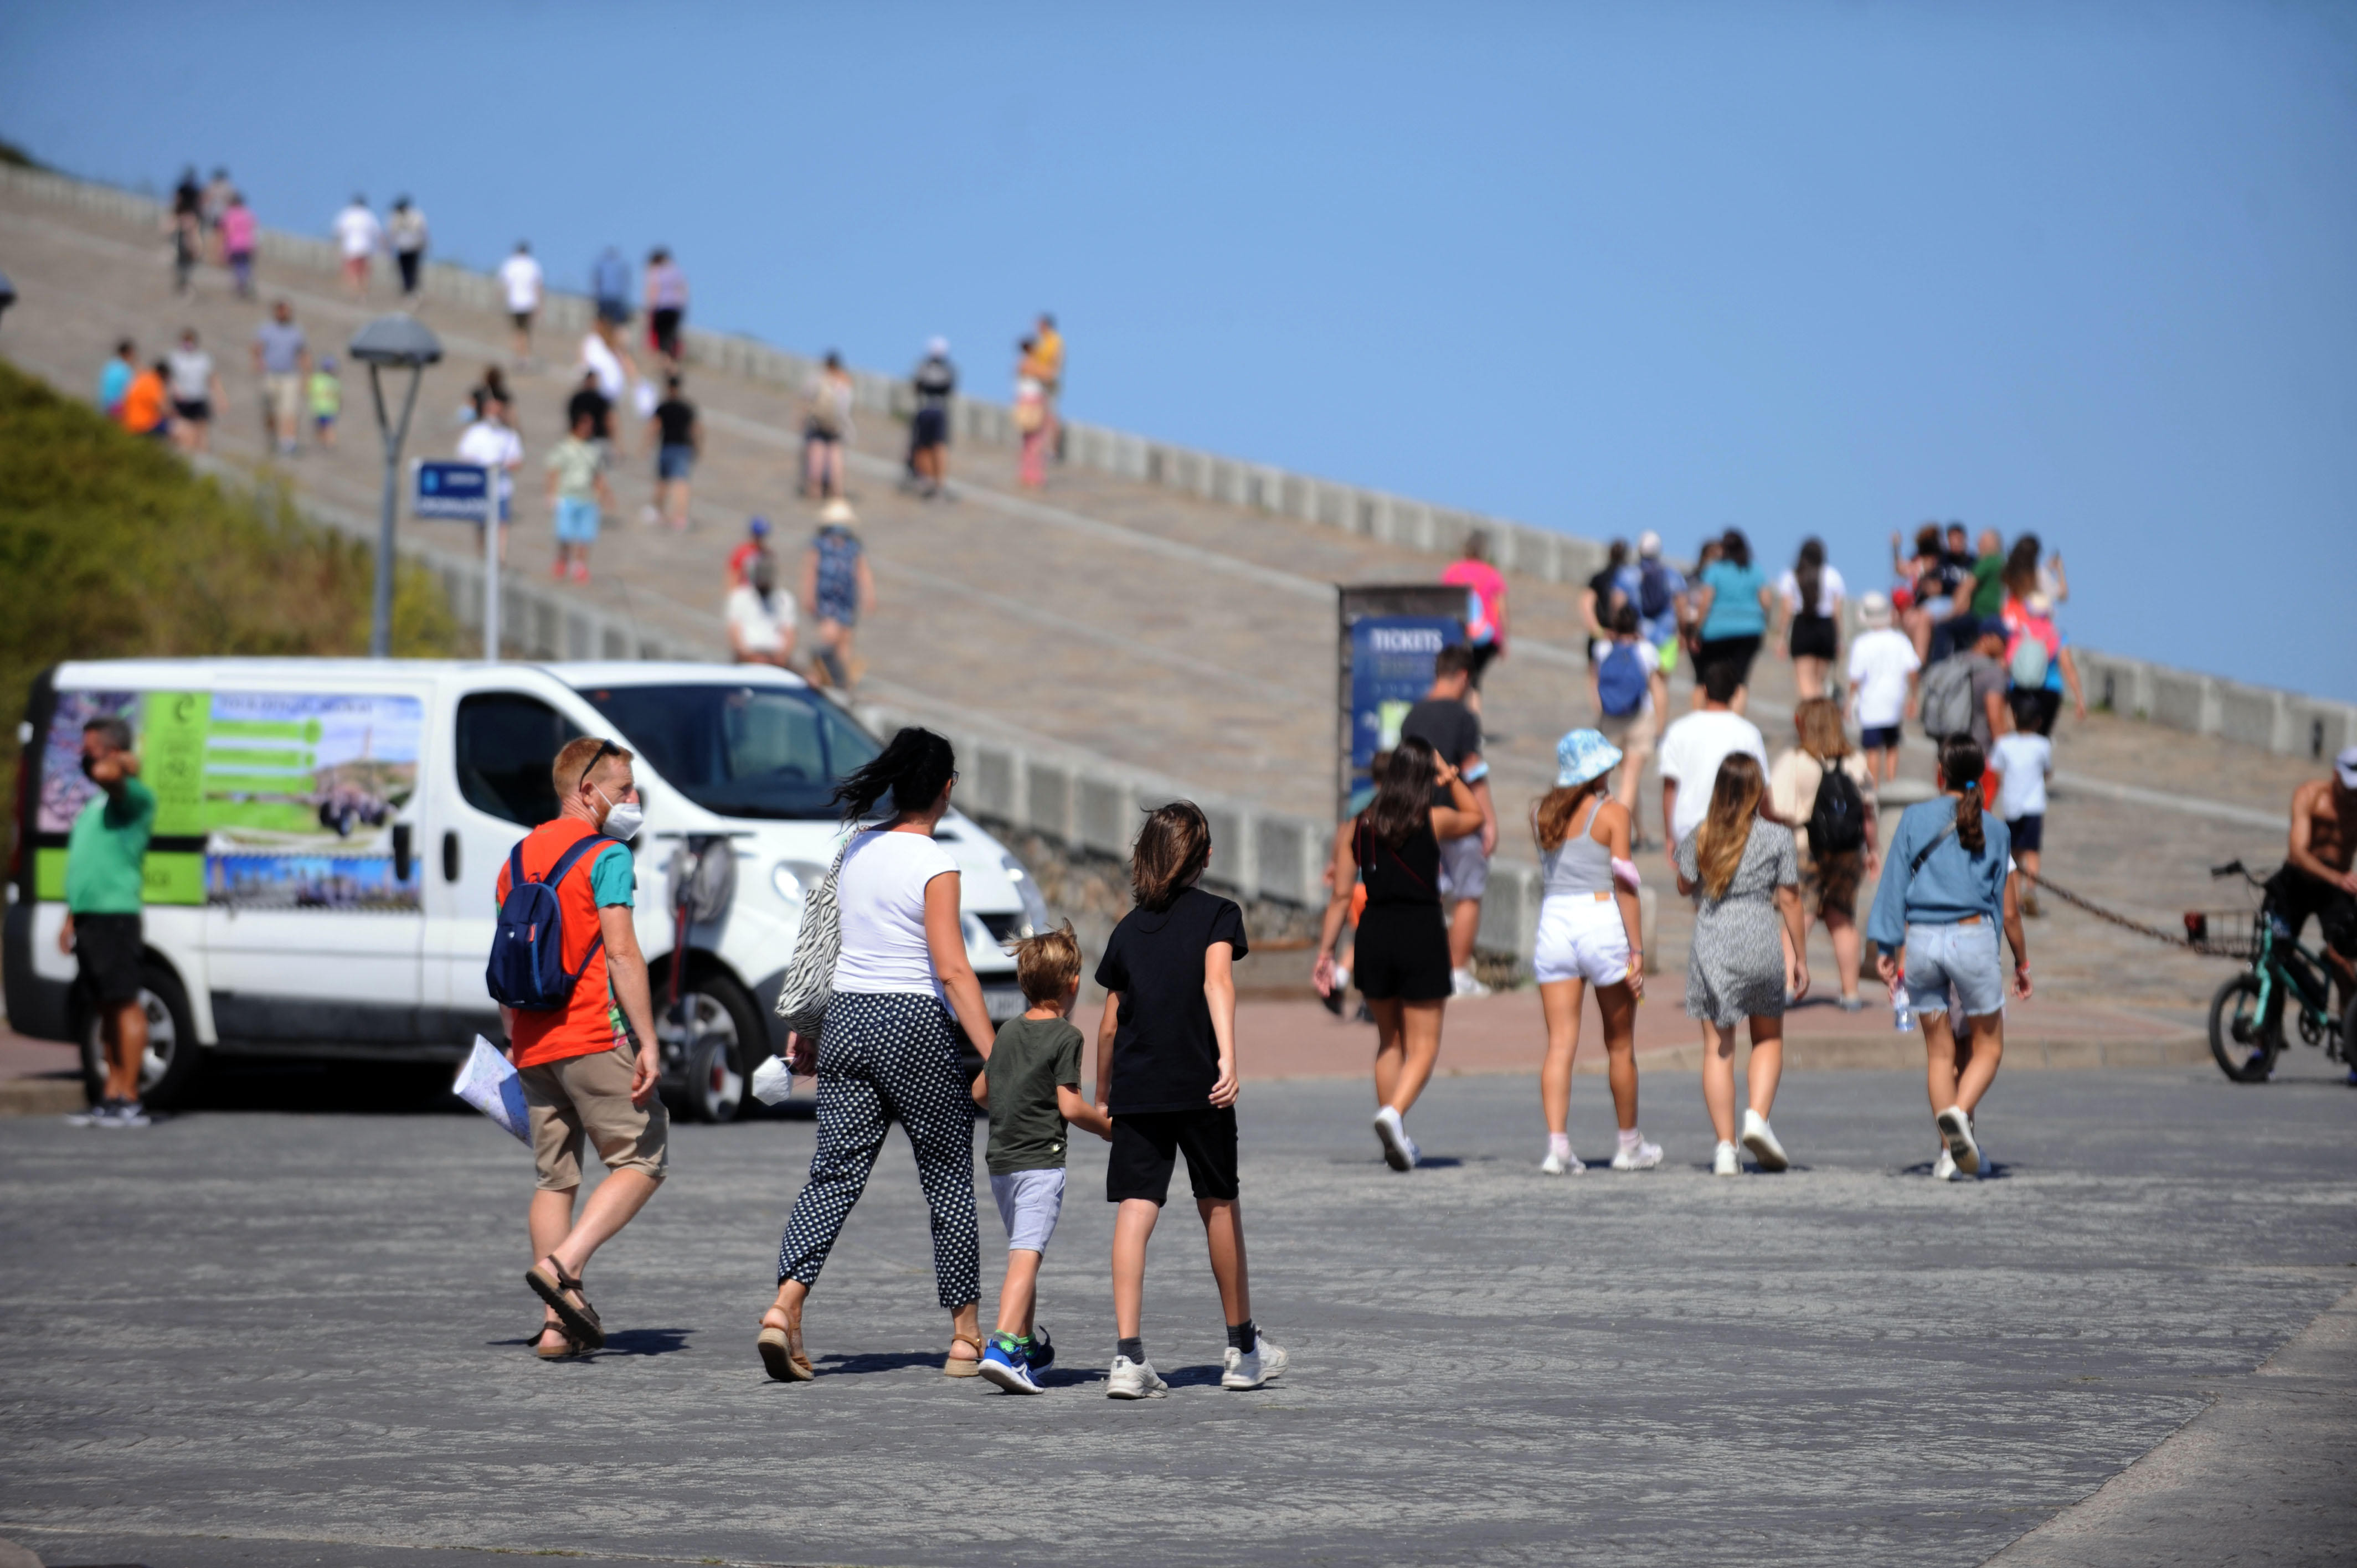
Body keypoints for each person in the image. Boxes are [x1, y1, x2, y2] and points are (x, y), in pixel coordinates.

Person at [761, 729, 1002, 1382]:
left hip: (846, 1018)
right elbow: (952, 972)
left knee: (832, 1175)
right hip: (912, 1022)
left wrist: (810, 1023)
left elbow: (826, 942)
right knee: (947, 1177)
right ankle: (964, 1336)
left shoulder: (855, 848)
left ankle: (785, 1307)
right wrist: (996, 1054)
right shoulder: (935, 865)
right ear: (947, 789)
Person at [1094, 802, 1286, 1396]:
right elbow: (1216, 982)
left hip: (1138, 1086)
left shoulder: (1126, 930)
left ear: (1145, 857)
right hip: (1201, 1084)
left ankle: (1127, 1358)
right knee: (1218, 1205)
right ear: (1203, 859)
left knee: (1135, 1208)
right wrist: (1227, 1057)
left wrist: (1102, 1093)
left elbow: (1107, 1023)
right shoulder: (1218, 915)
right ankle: (1241, 1349)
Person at [503, 735, 669, 1357]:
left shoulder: (518, 857)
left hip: (531, 1039)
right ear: (587, 791)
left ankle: (555, 1326)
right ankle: (564, 1267)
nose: (632, 802)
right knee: (642, 1156)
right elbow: (622, 953)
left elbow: (508, 955)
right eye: (624, 791)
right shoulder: (606, 855)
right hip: (593, 1034)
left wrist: (512, 1039)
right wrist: (648, 1040)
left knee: (555, 1179)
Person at [1312, 739, 1484, 1172]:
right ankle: (1392, 1116)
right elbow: (1476, 816)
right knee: (1424, 1045)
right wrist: (1451, 776)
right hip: (1421, 931)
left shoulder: (1357, 825)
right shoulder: (1433, 818)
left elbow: (1338, 897)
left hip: (1374, 933)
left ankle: (1398, 1135)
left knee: (1389, 1040)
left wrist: (1325, 953)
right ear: (1424, 776)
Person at [1869, 735, 2030, 1181]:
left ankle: (1948, 1156)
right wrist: (2019, 962)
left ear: (1941, 772)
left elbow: (1894, 881)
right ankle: (1960, 1115)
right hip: (1970, 938)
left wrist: (1886, 945)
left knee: (1940, 1056)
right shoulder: (1996, 830)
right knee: (1989, 1047)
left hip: (1920, 942)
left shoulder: (1915, 818)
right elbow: (2007, 907)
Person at [972, 923, 1112, 1394]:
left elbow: (980, 1093)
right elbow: (1071, 1107)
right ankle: (1003, 1345)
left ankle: (1027, 1345)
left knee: (1022, 1252)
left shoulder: (1008, 1032)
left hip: (1001, 1166)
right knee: (1026, 1257)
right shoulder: (1066, 1036)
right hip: (1040, 1164)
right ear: (1074, 985)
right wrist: (1110, 1129)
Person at [1530, 730, 1658, 1175]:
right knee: (1620, 1045)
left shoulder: (1540, 812)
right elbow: (1625, 885)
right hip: (1600, 919)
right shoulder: (1613, 814)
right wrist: (1636, 952)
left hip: (1554, 923)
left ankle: (1558, 1146)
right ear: (1597, 769)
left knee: (1560, 1044)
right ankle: (1629, 1145)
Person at [1675, 754, 1805, 1177]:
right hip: (1759, 938)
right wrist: (1799, 957)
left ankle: (1725, 1149)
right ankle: (1757, 1117)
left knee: (1719, 1049)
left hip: (1713, 939)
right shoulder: (1776, 837)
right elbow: (1789, 898)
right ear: (1756, 792)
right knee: (1767, 1039)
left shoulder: (1702, 834)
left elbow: (1682, 884)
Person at [58, 716, 157, 1128]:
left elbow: (112, 775)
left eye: (91, 747)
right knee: (104, 1007)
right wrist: (70, 917)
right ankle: (111, 1093)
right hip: (89, 918)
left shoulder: (132, 797)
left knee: (124, 1003)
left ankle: (130, 1098)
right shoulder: (94, 805)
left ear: (113, 751)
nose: (84, 756)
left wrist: (120, 763)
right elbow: (87, 867)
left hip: (116, 916)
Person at [1768, 697, 1880, 1011]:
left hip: (1804, 847)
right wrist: (1873, 850)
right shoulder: (1856, 760)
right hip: (1848, 851)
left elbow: (1777, 809)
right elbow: (1868, 812)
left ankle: (1788, 987)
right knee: (1842, 919)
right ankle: (1851, 993)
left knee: (1798, 917)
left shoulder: (1795, 760)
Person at [1400, 646, 1499, 997]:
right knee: (1469, 893)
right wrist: (1488, 819)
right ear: (1463, 677)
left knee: (1431, 898)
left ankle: (1428, 970)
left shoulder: (1412, 716)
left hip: (1420, 821)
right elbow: (1473, 771)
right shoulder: (1463, 717)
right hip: (1459, 820)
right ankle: (1457, 974)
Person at [2264, 747, 2357, 1000]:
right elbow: (2298, 853)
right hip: (2297, 882)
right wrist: (2336, 877)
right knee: (2275, 950)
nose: (2352, 796)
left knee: (2344, 957)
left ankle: (2348, 1030)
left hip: (2334, 892)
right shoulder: (2309, 796)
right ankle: (2270, 1029)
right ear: (2335, 775)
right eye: (2349, 788)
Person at [1657, 658, 1768, 862]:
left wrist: (1669, 835)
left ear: (1705, 691)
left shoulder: (1679, 730)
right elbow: (1761, 787)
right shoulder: (1749, 733)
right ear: (1735, 693)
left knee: (1698, 891)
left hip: (1689, 827)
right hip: (1735, 829)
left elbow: (1670, 787)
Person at [1592, 605, 1659, 840]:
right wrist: (1660, 723)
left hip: (1610, 717)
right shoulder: (1647, 651)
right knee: (1630, 778)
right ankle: (1615, 833)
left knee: (1623, 779)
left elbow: (1595, 681)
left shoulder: (1602, 649)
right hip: (1640, 717)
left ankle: (1640, 833)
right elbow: (1657, 688)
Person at [1690, 528, 1771, 705]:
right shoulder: (1755, 570)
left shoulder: (1715, 570)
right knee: (1740, 680)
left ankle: (1703, 717)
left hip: (1716, 632)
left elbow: (1705, 603)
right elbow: (1766, 601)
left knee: (1705, 678)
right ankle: (1735, 720)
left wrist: (1697, 631)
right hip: (1750, 630)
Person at [1990, 691, 2053, 916]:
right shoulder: (2043, 745)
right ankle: (2031, 889)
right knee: (2033, 851)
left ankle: (2015, 897)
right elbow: (2047, 772)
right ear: (2038, 721)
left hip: (2011, 804)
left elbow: (1997, 772)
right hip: (2034, 806)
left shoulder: (2004, 744)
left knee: (2014, 853)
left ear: (2014, 717)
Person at [1846, 591, 1918, 785]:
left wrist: (1849, 701)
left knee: (1873, 748)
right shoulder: (1900, 640)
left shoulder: (1862, 643)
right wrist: (1914, 696)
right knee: (1892, 744)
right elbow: (1913, 671)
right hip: (1895, 698)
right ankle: (1892, 782)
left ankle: (1874, 787)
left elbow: (1855, 677)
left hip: (1871, 701)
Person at [801, 502, 873, 690]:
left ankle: (841, 681)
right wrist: (809, 593)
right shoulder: (822, 543)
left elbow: (861, 570)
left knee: (844, 639)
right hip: (828, 597)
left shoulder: (852, 545)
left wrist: (868, 594)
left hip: (846, 598)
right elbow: (812, 569)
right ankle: (819, 675)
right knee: (829, 636)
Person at [545, 410, 615, 584]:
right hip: (567, 495)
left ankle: (580, 565)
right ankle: (562, 560)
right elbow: (554, 471)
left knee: (586, 535)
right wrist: (552, 494)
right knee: (565, 534)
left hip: (588, 497)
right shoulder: (564, 447)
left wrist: (606, 495)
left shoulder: (593, 450)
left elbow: (597, 474)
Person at [1774, 537, 1845, 699]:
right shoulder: (1833, 575)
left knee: (1805, 682)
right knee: (1819, 682)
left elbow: (1786, 609)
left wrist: (1781, 637)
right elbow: (1837, 613)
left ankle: (1810, 721)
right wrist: (1839, 640)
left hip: (1803, 626)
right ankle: (1821, 719)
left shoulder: (1792, 575)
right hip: (1826, 628)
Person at [456, 391, 524, 563]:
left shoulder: (509, 435)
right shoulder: (476, 432)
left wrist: (503, 466)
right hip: (481, 486)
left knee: (502, 523)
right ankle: (482, 554)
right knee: (482, 524)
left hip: (502, 487)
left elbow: (517, 461)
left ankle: (500, 557)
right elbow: (465, 457)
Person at [1630, 530, 1688, 716]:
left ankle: (1638, 723)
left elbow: (1618, 602)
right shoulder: (1672, 575)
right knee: (1660, 686)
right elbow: (1682, 606)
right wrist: (1683, 633)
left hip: (1638, 637)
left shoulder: (1631, 574)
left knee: (1638, 683)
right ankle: (1658, 729)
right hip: (1666, 638)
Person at [251, 299, 308, 456]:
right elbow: (257, 349)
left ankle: (288, 442)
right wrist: (258, 363)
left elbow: (303, 354)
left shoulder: (296, 331)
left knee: (289, 411)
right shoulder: (266, 330)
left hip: (290, 375)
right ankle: (273, 438)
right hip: (271, 375)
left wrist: (305, 376)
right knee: (270, 411)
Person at [905, 337, 957, 498]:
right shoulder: (948, 370)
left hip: (925, 409)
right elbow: (950, 388)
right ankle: (939, 481)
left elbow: (916, 387)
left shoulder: (923, 368)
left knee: (924, 446)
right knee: (938, 446)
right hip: (940, 410)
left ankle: (927, 479)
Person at [725, 551, 796, 667]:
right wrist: (751, 657)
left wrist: (780, 657)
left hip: (776, 661)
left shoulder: (785, 599)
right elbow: (735, 632)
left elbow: (789, 633)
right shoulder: (739, 598)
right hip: (747, 660)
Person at [649, 374, 698, 530]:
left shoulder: (664, 406)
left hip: (668, 446)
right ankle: (681, 517)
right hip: (683, 448)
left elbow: (655, 427)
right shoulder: (687, 407)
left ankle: (658, 512)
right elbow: (695, 429)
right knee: (681, 483)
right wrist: (696, 446)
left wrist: (647, 445)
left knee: (663, 481)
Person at [802, 352, 855, 499]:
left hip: (818, 425)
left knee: (816, 458)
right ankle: (837, 492)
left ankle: (815, 491)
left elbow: (806, 400)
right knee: (835, 460)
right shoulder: (845, 382)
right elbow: (847, 408)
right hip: (836, 428)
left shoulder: (818, 379)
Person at [578, 327, 635, 456]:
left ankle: (616, 446)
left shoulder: (604, 342)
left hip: (606, 387)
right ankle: (615, 446)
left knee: (607, 416)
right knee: (607, 416)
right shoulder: (599, 342)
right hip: (605, 386)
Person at [164, 328, 222, 453]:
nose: (188, 344)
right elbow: (169, 379)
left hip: (199, 397)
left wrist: (220, 398)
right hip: (182, 399)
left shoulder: (203, 358)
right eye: (186, 341)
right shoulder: (175, 358)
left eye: (190, 341)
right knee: (182, 430)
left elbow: (212, 378)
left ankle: (203, 455)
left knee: (201, 430)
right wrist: (171, 395)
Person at [1582, 539, 1630, 688]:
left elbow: (1586, 604)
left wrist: (1598, 631)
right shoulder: (1630, 580)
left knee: (1595, 676)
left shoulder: (1599, 578)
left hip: (1601, 635)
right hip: (1620, 637)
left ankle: (1600, 709)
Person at [1013, 341, 1049, 489]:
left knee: (1029, 442)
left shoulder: (1022, 363)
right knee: (1035, 442)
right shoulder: (1028, 363)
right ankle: (1033, 475)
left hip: (1026, 403)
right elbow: (1047, 375)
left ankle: (1028, 474)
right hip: (1032, 404)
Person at [500, 242, 543, 363]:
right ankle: (524, 356)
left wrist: (504, 300)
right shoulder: (532, 265)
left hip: (514, 302)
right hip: (528, 303)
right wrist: (539, 304)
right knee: (525, 331)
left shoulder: (511, 264)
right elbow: (537, 286)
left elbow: (505, 284)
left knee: (516, 330)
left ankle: (518, 356)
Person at [644, 248, 688, 365]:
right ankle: (673, 363)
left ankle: (666, 363)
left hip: (661, 308)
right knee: (672, 335)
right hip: (675, 308)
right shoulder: (675, 270)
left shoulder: (656, 271)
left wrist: (651, 307)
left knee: (662, 337)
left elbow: (654, 289)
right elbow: (683, 289)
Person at [332, 194, 380, 298]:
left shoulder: (347, 214)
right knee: (363, 272)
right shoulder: (369, 215)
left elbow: (339, 231)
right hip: (366, 248)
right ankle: (362, 291)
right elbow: (377, 232)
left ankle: (355, 291)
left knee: (352, 271)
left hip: (351, 248)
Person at [1032, 312, 1065, 460]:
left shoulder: (1054, 341)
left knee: (1051, 416)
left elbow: (1056, 363)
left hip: (1049, 383)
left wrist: (1048, 375)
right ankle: (1043, 448)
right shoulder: (1042, 340)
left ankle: (1053, 449)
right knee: (1042, 416)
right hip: (1039, 381)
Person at [120, 360, 171, 441]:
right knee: (174, 429)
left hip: (128, 422)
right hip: (144, 424)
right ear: (164, 374)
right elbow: (162, 407)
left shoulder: (142, 378)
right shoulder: (155, 383)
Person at [219, 190, 257, 298]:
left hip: (234, 245)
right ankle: (245, 283)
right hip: (247, 245)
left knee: (237, 267)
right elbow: (253, 230)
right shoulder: (248, 214)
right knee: (245, 265)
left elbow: (228, 231)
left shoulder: (230, 214)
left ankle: (241, 285)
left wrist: (224, 248)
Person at [168, 168, 200, 296]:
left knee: (182, 246)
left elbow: (177, 202)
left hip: (184, 218)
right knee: (189, 246)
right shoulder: (193, 190)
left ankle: (183, 274)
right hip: (189, 219)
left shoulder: (183, 188)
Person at [387, 197, 428, 298]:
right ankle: (407, 289)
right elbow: (392, 233)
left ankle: (412, 289)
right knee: (404, 269)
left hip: (414, 247)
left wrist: (424, 244)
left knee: (412, 269)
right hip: (403, 248)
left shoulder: (415, 216)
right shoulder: (396, 217)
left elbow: (423, 231)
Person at [591, 245, 632, 336]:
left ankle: (599, 338)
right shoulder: (620, 265)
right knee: (618, 324)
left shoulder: (602, 265)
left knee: (602, 320)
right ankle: (618, 342)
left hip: (604, 298)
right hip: (617, 299)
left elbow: (597, 281)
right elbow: (625, 281)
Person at [727, 514, 773, 588]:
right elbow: (734, 574)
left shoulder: (768, 554)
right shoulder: (742, 552)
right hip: (745, 592)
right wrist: (733, 593)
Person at [97, 338, 137, 422]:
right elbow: (130, 393)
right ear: (127, 354)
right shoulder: (126, 370)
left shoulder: (110, 365)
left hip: (102, 404)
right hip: (116, 408)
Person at [307, 355, 341, 449]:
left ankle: (329, 443)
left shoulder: (318, 379)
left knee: (327, 428)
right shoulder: (332, 381)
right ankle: (327, 443)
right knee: (325, 428)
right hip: (324, 409)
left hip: (324, 409)